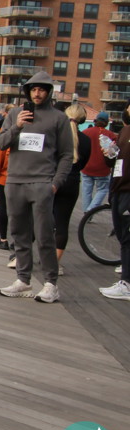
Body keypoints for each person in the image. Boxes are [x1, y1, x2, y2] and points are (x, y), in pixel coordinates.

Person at [0, 72, 73, 303]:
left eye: (41, 90)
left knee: (44, 234)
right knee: (18, 233)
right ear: (27, 92)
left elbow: (67, 155)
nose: (37, 94)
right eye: (33, 90)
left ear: (49, 92)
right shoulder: (15, 114)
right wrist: (17, 126)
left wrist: (55, 183)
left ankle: (51, 283)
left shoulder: (59, 118)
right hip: (14, 182)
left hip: (42, 182)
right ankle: (23, 280)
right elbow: (1, 143)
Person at [54, 104, 91, 274]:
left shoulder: (55, 135)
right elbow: (83, 164)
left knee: (41, 219)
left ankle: (22, 257)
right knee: (62, 224)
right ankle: (55, 263)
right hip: (72, 182)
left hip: (52, 180)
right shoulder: (86, 140)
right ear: (82, 120)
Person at [101, 106, 130, 301]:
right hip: (118, 188)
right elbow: (115, 160)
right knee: (122, 235)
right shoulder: (125, 130)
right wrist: (108, 153)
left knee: (127, 237)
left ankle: (127, 283)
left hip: (127, 191)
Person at [81, 111, 117, 212]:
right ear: (106, 123)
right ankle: (90, 210)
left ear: (95, 120)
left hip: (86, 167)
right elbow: (114, 152)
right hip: (103, 169)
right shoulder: (110, 135)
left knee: (86, 192)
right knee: (102, 189)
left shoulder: (86, 132)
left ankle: (86, 214)